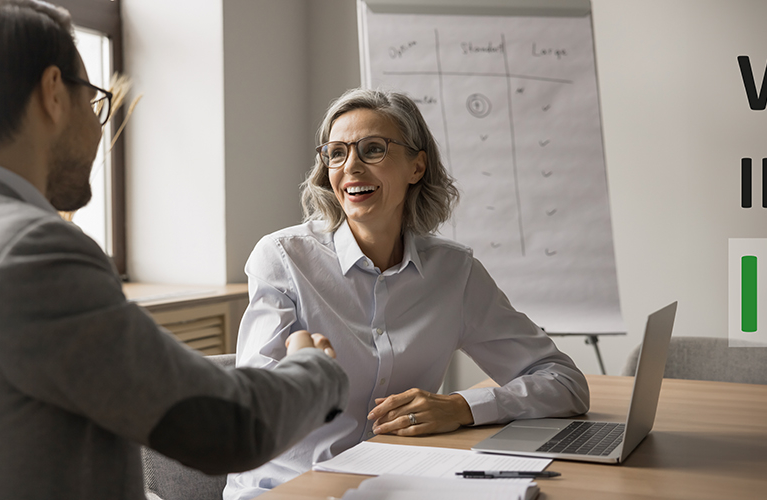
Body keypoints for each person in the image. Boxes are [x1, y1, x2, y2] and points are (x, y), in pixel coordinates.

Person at [0, 2, 348, 499]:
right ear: (53, 93)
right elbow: (226, 429)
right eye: (93, 100)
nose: (98, 128)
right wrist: (312, 369)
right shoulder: (31, 253)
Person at [224, 89, 592, 499]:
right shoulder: (283, 258)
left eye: (373, 149)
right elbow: (252, 406)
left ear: (417, 166)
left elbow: (565, 383)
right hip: (288, 488)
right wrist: (302, 377)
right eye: (337, 153)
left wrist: (461, 407)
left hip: (396, 485)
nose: (352, 167)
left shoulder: (454, 273)